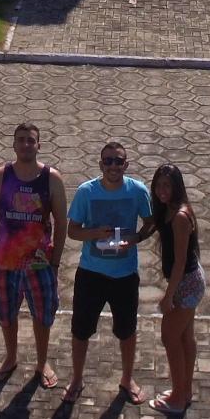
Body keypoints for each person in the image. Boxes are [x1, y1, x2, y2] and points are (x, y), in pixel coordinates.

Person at [64, 140, 153, 403]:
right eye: (108, 161)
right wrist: (94, 234)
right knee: (81, 330)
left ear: (126, 164)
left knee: (127, 330)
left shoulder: (138, 191)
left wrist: (137, 238)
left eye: (118, 160)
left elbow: (150, 222)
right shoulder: (86, 192)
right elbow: (72, 230)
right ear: (100, 164)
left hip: (125, 274)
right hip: (91, 272)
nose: (113, 165)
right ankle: (77, 378)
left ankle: (127, 378)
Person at [0, 122, 69, 386]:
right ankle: (11, 357)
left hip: (39, 265)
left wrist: (55, 263)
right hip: (5, 263)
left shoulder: (52, 179)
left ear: (39, 145)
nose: (26, 144)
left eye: (31, 140)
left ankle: (42, 363)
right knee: (6, 315)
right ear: (14, 144)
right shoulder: (0, 177)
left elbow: (62, 223)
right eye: (21, 140)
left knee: (42, 316)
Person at [146, 163, 205, 417]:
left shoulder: (180, 217)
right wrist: (132, 240)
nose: (162, 190)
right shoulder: (167, 210)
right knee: (184, 337)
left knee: (170, 338)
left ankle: (178, 397)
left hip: (186, 283)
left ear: (177, 187)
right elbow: (150, 228)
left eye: (167, 185)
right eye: (159, 185)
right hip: (189, 280)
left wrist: (168, 296)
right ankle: (184, 390)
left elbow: (180, 262)